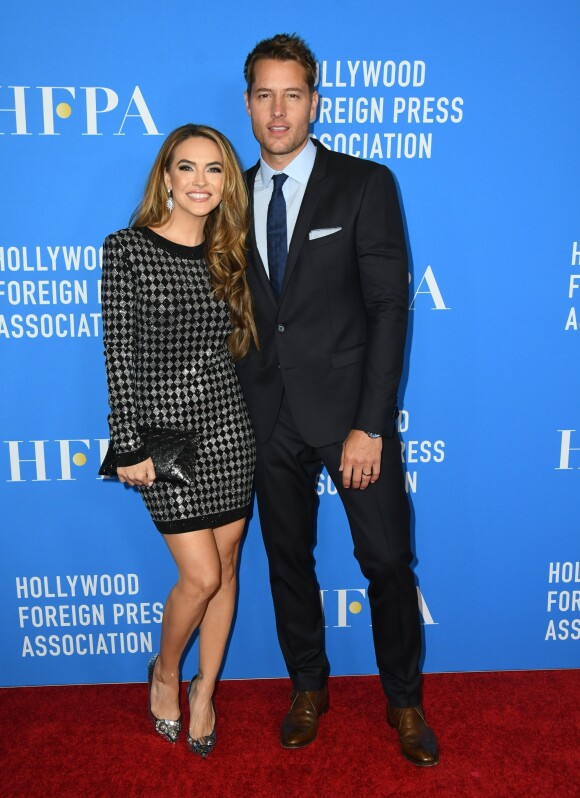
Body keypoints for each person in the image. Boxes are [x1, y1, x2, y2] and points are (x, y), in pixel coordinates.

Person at [236, 34, 439, 766]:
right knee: (287, 562)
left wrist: (370, 425)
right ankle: (308, 687)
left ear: (314, 101)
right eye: (265, 95)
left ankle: (405, 700)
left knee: (387, 561)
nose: (278, 110)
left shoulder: (364, 184)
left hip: (353, 417)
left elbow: (390, 309)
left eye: (293, 94)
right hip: (267, 418)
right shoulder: (228, 192)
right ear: (249, 102)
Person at [101, 123, 256, 757]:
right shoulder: (127, 249)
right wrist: (128, 443)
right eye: (186, 168)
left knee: (227, 567)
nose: (200, 182)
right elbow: (117, 353)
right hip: (163, 440)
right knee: (199, 575)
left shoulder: (232, 254)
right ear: (165, 175)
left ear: (228, 183)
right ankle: (165, 672)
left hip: (228, 428)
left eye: (214, 169)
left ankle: (206, 689)